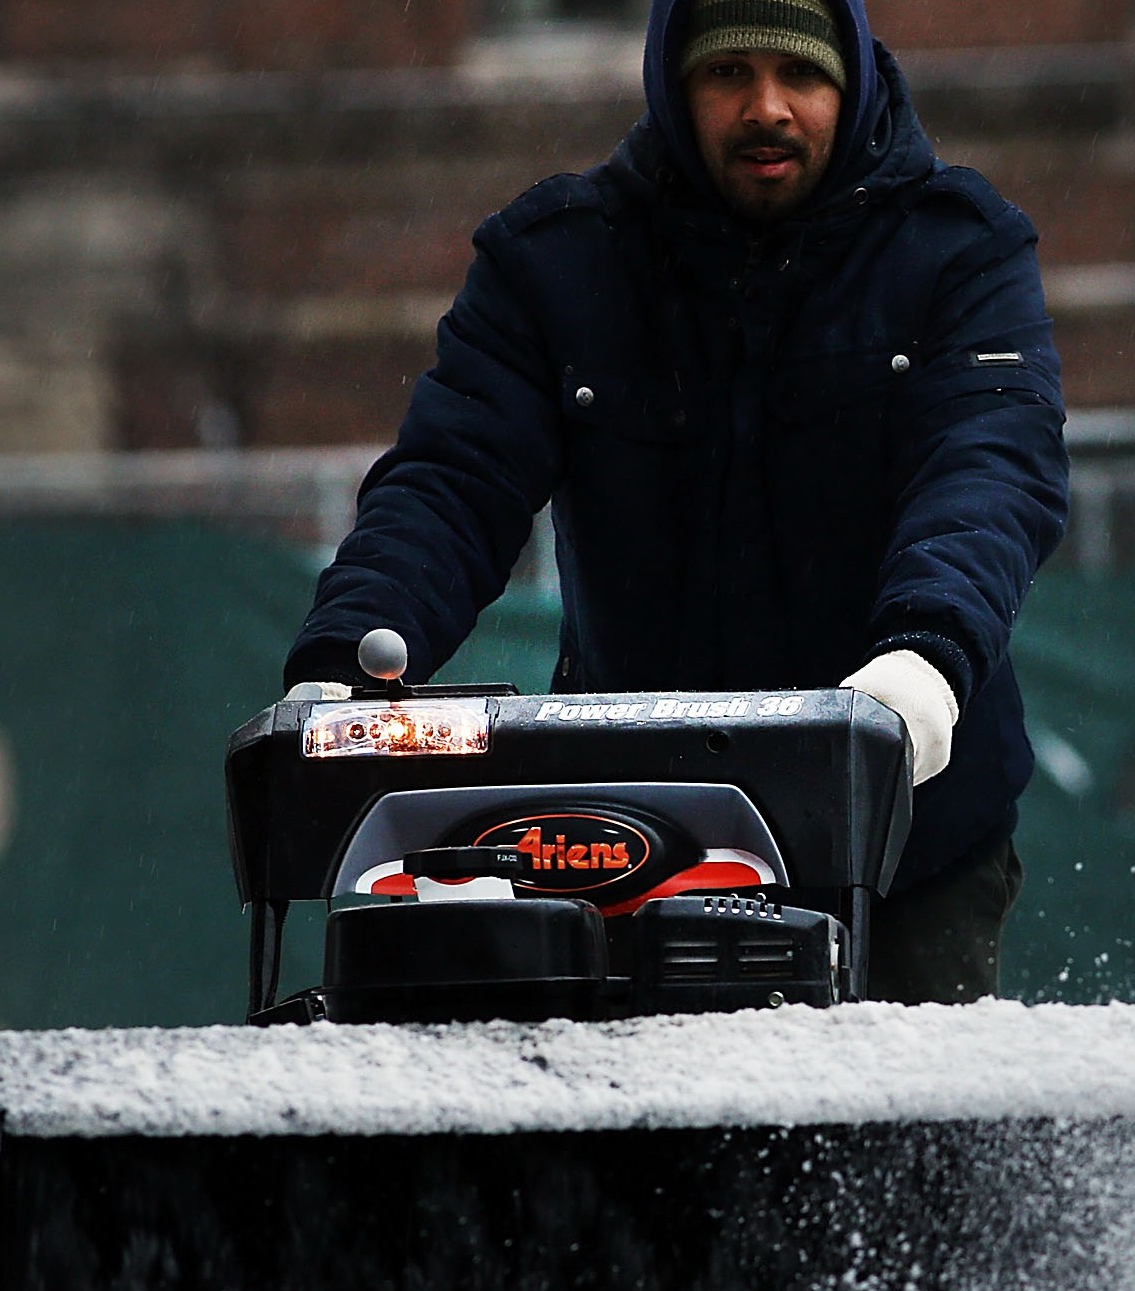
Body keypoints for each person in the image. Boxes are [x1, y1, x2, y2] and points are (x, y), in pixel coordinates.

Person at [285, 0, 1067, 1003]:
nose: (767, 108)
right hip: (633, 837)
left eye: (801, 75)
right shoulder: (556, 266)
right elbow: (452, 479)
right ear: (673, 83)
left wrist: (925, 658)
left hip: (906, 839)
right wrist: (350, 657)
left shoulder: (961, 253)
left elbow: (990, 464)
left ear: (855, 79)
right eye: (728, 74)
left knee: (896, 1145)